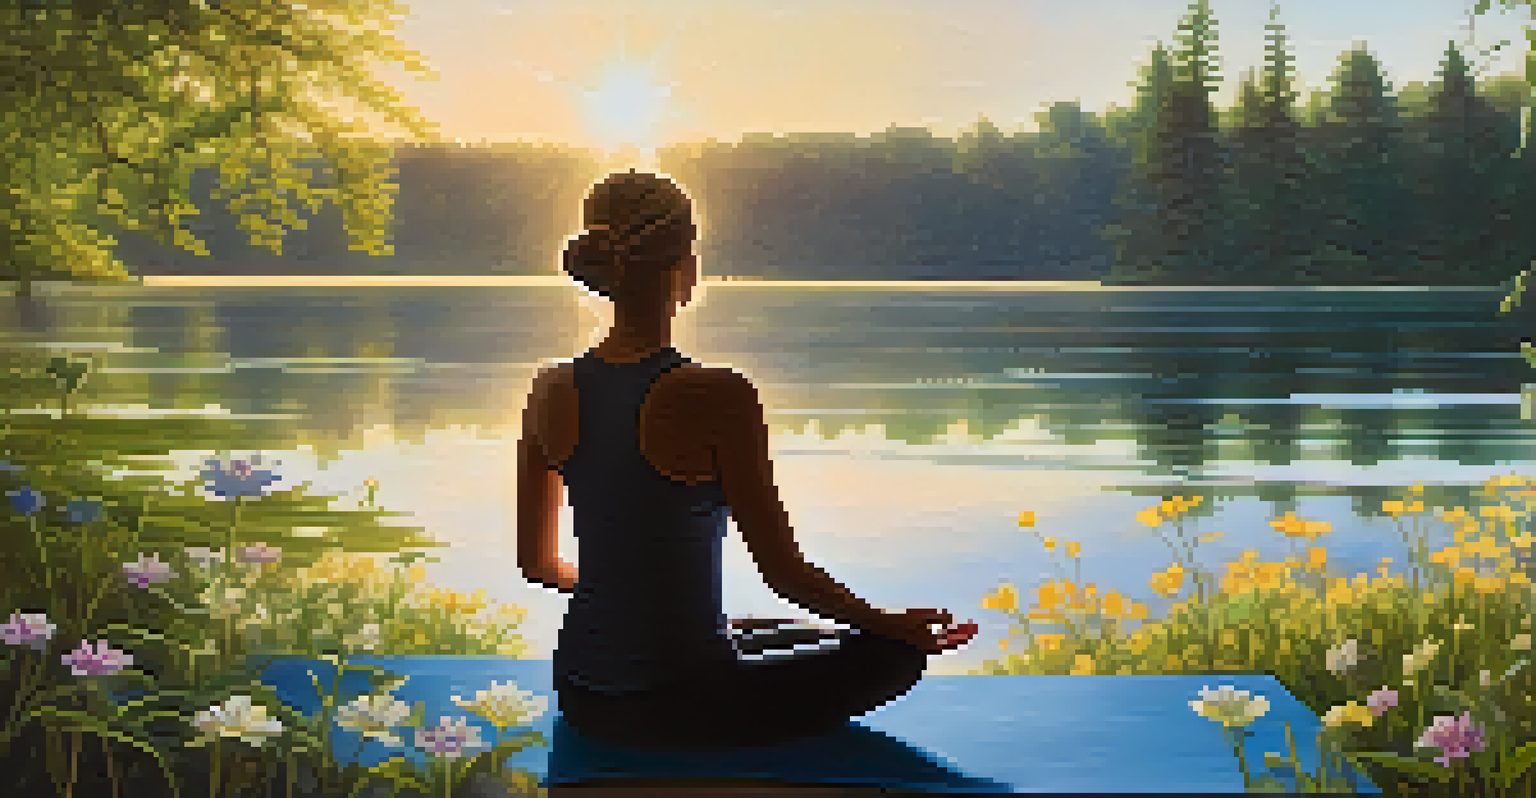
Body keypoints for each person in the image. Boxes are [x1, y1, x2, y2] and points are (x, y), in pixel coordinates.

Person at [517, 169, 976, 750]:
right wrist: (893, 623)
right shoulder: (719, 394)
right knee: (891, 655)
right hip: (678, 703)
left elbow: (536, 564)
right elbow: (783, 572)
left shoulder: (549, 387)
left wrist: (626, 605)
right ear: (685, 268)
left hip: (581, 693)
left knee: (775, 631)